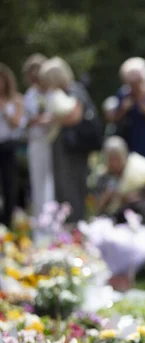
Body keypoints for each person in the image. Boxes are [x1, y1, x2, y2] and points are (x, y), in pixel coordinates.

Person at [107, 57, 145, 220]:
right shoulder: (123, 95)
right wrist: (123, 109)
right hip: (133, 145)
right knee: (135, 189)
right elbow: (113, 120)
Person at [38, 57, 93, 223]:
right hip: (64, 146)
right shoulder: (65, 92)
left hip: (73, 148)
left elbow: (75, 117)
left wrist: (51, 120)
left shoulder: (74, 91)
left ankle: (74, 226)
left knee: (72, 187)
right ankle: (66, 224)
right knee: (63, 187)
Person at [22, 54, 54, 219]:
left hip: (54, 143)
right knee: (38, 184)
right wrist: (33, 121)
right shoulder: (29, 95)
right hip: (36, 143)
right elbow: (23, 123)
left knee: (53, 183)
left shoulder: (53, 92)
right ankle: (39, 224)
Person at [0, 63, 24, 228]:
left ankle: (8, 221)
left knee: (9, 184)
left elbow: (17, 122)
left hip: (8, 147)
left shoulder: (16, 100)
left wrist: (4, 109)